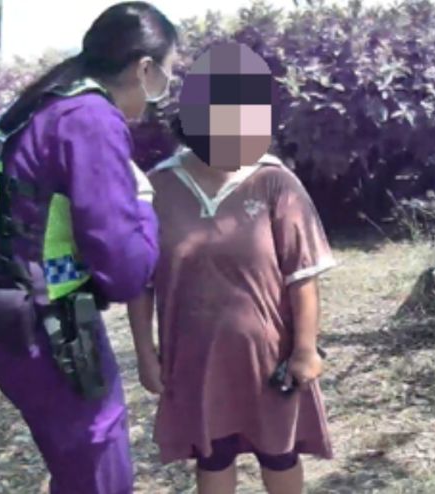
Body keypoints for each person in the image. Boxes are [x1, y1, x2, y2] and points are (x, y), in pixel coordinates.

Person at [0, 3, 178, 493]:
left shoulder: (38, 104)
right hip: (51, 335)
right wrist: (142, 205)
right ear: (144, 69)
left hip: (1, 324)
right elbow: (125, 270)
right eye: (166, 77)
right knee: (98, 469)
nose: (160, 97)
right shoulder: (90, 118)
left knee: (72, 467)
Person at [127, 43, 335, 494]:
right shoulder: (159, 186)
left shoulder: (274, 182)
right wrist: (146, 353)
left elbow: (302, 276)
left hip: (269, 358)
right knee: (213, 454)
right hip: (195, 359)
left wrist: (305, 350)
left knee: (279, 453)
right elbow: (140, 284)